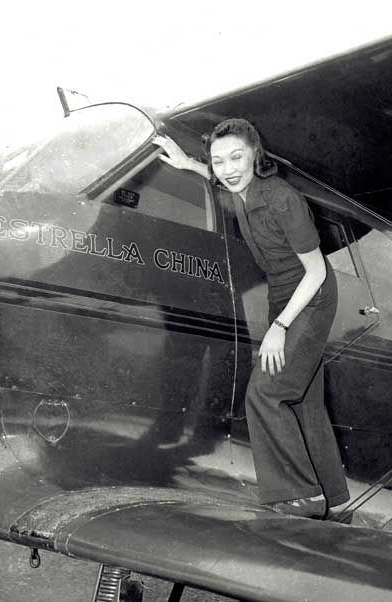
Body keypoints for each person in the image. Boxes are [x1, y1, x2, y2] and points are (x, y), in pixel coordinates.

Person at [153, 119, 349, 519]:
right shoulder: (236, 188)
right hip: (283, 293)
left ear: (255, 155)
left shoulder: (281, 199)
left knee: (265, 393)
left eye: (237, 157)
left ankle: (301, 497)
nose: (228, 168)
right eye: (219, 160)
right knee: (305, 402)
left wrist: (279, 328)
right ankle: (338, 503)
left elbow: (316, 272)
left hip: (311, 295)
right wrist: (188, 163)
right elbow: (217, 176)